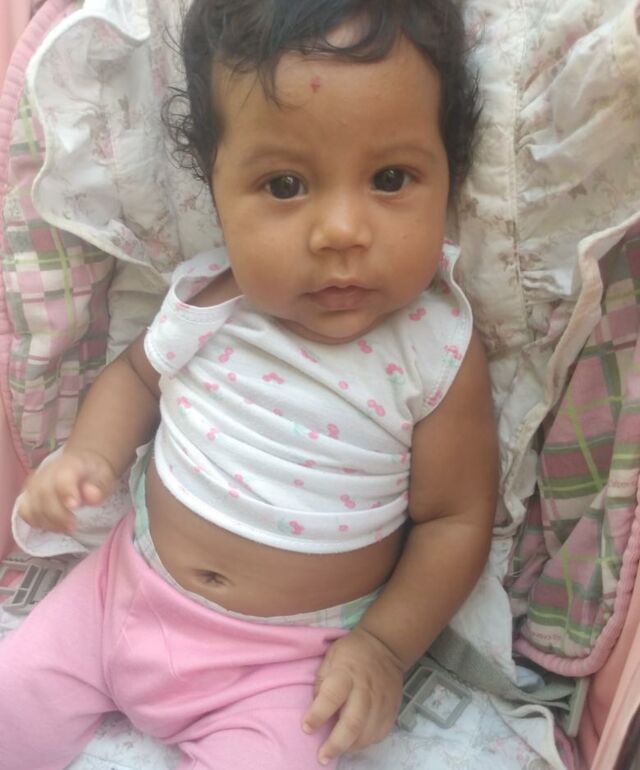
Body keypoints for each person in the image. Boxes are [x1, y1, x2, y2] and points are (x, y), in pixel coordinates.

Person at [0, 1, 498, 768]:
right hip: (114, 595)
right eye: (286, 183)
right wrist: (88, 456)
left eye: (390, 178)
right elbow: (134, 378)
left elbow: (454, 522)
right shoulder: (210, 299)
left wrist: (383, 647)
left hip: (283, 670)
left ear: (448, 179)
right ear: (217, 189)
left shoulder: (435, 351)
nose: (340, 231)